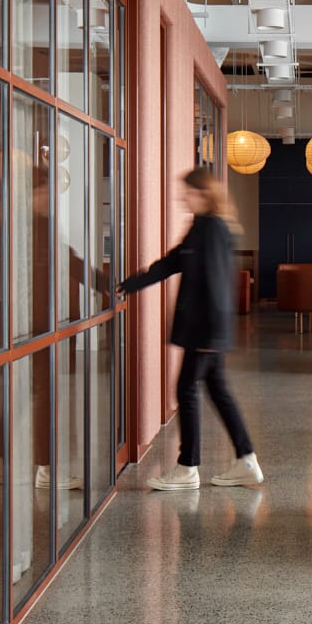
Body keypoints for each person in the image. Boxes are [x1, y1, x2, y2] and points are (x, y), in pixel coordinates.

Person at [119, 168, 264, 490]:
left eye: (188, 192)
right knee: (217, 391)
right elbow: (172, 262)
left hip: (206, 330)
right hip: (205, 329)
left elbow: (216, 283)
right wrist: (128, 285)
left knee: (186, 389)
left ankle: (188, 467)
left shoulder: (212, 227)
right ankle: (246, 460)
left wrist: (213, 336)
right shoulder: (202, 226)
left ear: (204, 193)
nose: (183, 196)